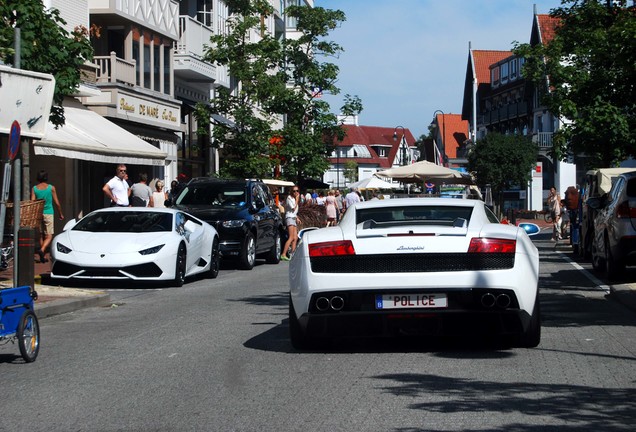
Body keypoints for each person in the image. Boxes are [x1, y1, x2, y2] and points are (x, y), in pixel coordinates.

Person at [31, 170, 64, 263]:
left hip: (38, 213)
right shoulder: (51, 188)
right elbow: (57, 202)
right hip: (48, 212)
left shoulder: (34, 188)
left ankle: (43, 256)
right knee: (49, 235)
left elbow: (32, 202)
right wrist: (60, 213)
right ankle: (42, 250)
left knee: (40, 235)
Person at [281, 186, 300, 261]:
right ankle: (283, 254)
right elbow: (293, 208)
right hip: (289, 218)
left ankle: (293, 254)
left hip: (293, 218)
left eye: (297, 191)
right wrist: (297, 200)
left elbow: (295, 212)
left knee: (295, 238)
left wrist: (297, 218)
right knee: (291, 237)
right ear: (291, 192)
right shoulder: (289, 198)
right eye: (294, 191)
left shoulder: (294, 199)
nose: (296, 192)